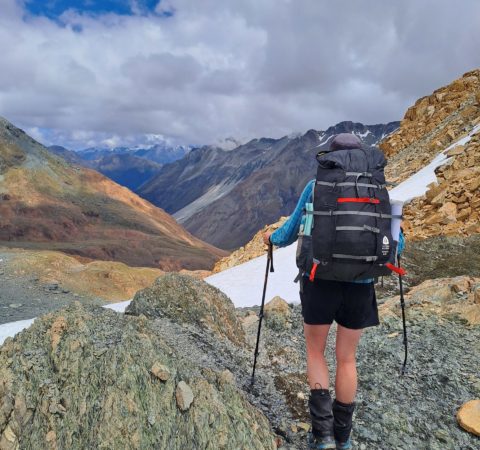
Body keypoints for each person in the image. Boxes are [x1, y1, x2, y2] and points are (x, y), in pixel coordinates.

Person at [263, 133, 404, 450]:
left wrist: (271, 240)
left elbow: (291, 231)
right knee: (347, 359)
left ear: (332, 157)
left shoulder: (317, 187)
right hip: (361, 285)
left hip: (320, 280)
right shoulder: (378, 189)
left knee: (316, 352)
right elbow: (397, 244)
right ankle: (344, 438)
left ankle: (323, 437)